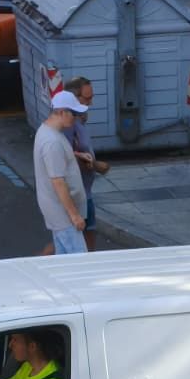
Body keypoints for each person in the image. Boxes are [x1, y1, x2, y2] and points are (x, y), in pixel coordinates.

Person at [34, 91, 89, 256]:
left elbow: (54, 160)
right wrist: (74, 216)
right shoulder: (52, 142)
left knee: (63, 262)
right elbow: (58, 181)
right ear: (62, 112)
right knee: (80, 262)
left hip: (58, 212)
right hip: (63, 216)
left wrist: (75, 155)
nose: (76, 118)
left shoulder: (48, 132)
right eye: (74, 113)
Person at [62, 76, 110, 251]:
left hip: (85, 192)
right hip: (78, 194)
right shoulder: (69, 124)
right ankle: (44, 256)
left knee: (84, 240)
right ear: (74, 98)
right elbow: (65, 155)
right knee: (81, 243)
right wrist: (96, 165)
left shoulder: (80, 118)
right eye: (87, 98)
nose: (91, 102)